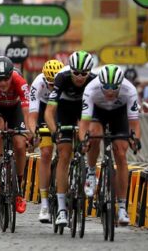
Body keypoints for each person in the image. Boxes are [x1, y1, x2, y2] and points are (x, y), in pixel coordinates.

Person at [79, 64, 142, 226]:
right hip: (97, 113)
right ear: (100, 83)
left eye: (114, 87)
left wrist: (135, 141)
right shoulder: (91, 89)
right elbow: (84, 124)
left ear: (121, 84)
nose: (110, 91)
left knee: (121, 153)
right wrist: (83, 141)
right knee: (93, 135)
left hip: (118, 114)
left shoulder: (130, 90)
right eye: (106, 87)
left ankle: (122, 207)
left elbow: (134, 124)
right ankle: (91, 173)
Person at [44, 50, 96, 226]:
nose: (80, 77)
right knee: (64, 153)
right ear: (70, 69)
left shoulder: (94, 81)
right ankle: (61, 209)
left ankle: (88, 171)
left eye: (84, 73)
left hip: (84, 109)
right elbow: (49, 112)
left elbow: (97, 113)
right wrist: (54, 131)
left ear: (89, 72)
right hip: (64, 109)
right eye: (76, 72)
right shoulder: (62, 78)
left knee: (89, 140)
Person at [0, 56, 33, 215]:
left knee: (19, 143)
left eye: (6, 79)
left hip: (16, 110)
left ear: (12, 75)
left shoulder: (20, 83)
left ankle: (18, 187)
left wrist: (30, 132)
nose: (3, 83)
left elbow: (27, 112)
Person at [27, 58, 63, 223]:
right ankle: (45, 204)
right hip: (43, 111)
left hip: (61, 109)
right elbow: (32, 115)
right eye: (50, 84)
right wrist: (34, 132)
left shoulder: (66, 81)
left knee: (66, 149)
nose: (52, 87)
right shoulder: (38, 83)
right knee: (46, 153)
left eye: (54, 84)